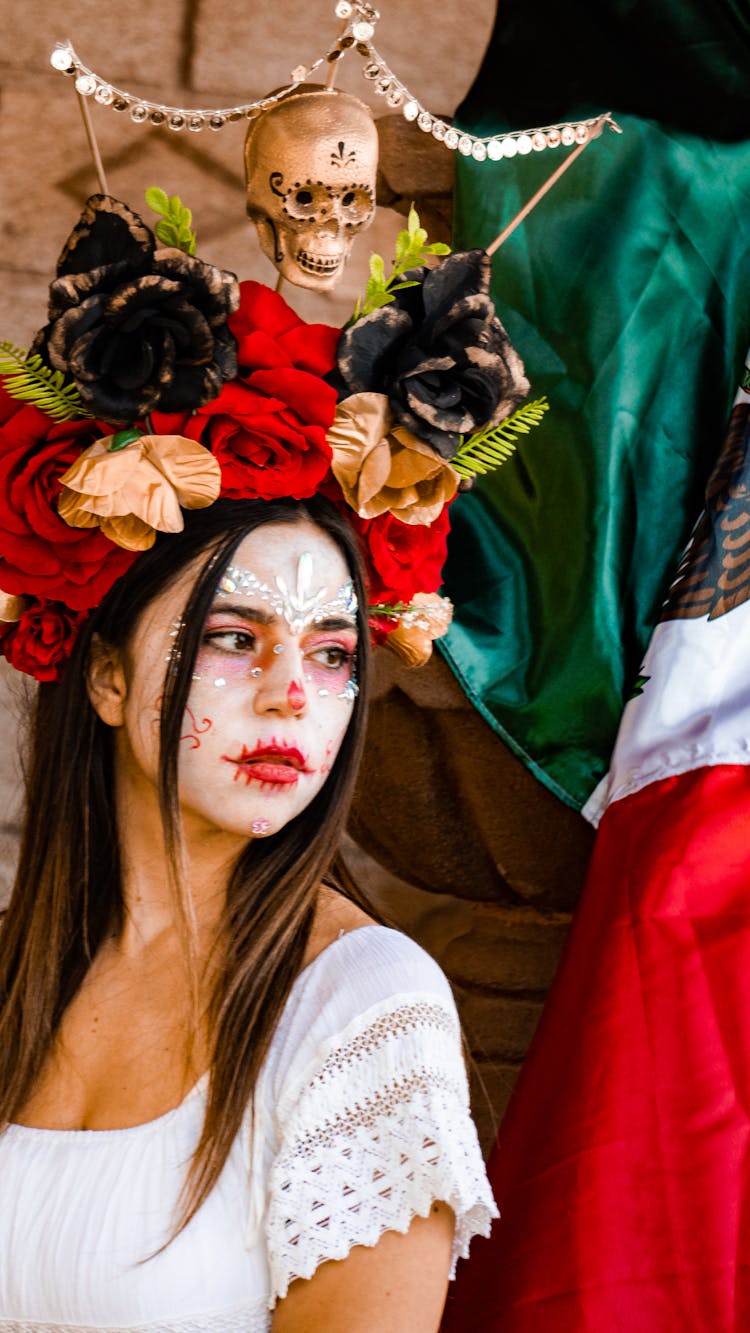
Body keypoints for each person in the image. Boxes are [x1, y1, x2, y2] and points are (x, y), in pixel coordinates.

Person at [0, 193, 505, 1330]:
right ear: (108, 672)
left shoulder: (363, 1012)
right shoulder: (19, 974)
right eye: (235, 637)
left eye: (332, 651)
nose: (293, 692)